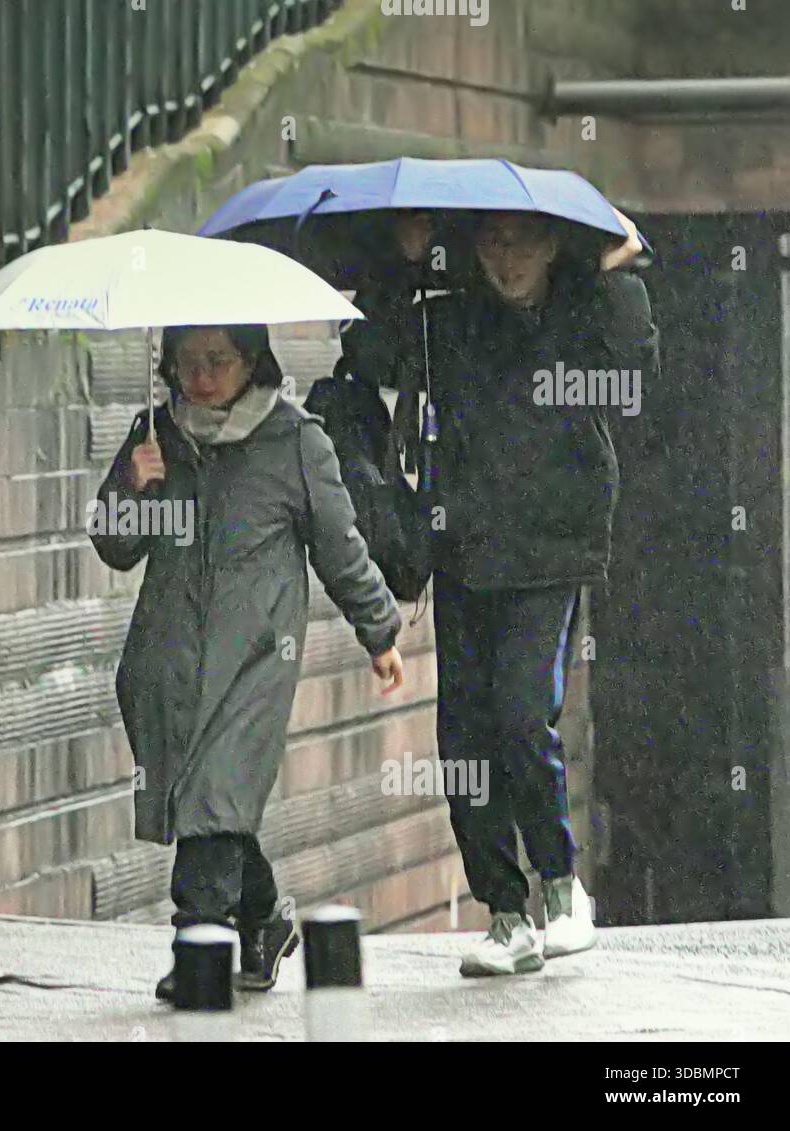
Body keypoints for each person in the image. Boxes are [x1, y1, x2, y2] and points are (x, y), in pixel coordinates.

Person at [90, 323, 405, 1002]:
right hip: (167, 656)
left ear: (251, 360)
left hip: (256, 659)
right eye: (188, 362)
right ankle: (262, 918)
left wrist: (379, 630)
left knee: (213, 796)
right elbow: (115, 545)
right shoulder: (156, 433)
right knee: (211, 805)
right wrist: (132, 487)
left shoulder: (295, 441)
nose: (201, 377)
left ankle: (197, 947)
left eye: (217, 361)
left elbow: (340, 546)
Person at [415, 211, 660, 977]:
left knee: (524, 715)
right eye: (494, 242)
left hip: (551, 549)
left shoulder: (584, 311)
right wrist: (407, 260)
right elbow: (379, 351)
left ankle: (561, 887)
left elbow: (635, 356)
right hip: (464, 548)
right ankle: (505, 911)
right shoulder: (448, 317)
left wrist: (617, 263)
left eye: (525, 241)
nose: (509, 258)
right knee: (464, 738)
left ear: (556, 246)